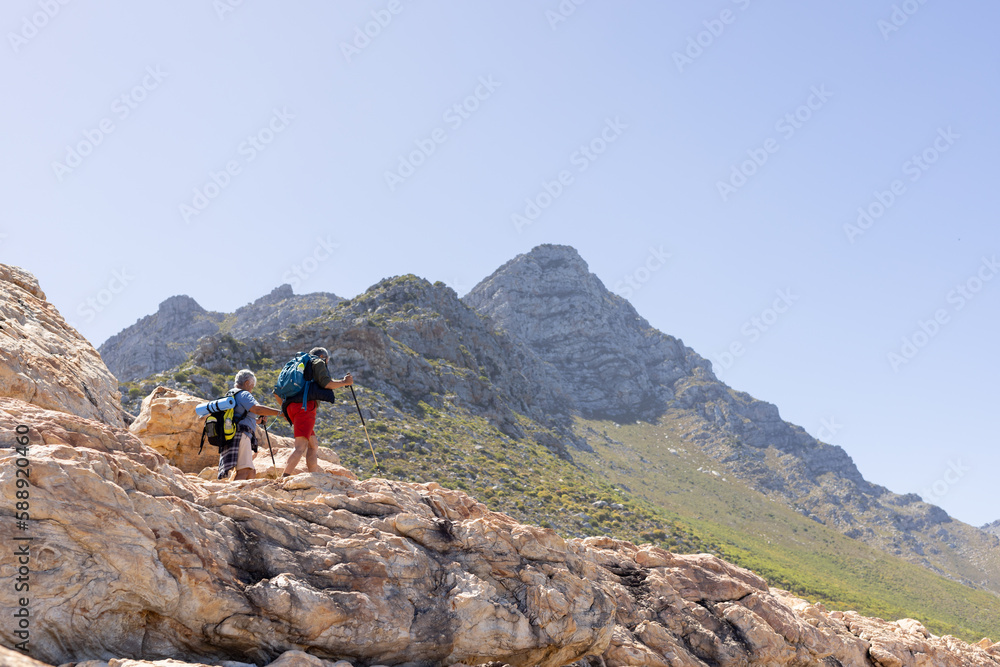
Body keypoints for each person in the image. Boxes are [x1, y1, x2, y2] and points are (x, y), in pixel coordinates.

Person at [275, 347, 353, 476]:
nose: (327, 363)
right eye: (327, 360)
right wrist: (344, 382)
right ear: (323, 356)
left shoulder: (297, 365)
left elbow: (276, 392)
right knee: (300, 447)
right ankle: (283, 478)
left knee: (313, 445)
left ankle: (314, 476)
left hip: (291, 406)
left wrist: (285, 411)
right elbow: (327, 384)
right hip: (305, 407)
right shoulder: (318, 362)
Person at [219, 369, 282, 481]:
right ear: (247, 383)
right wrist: (280, 413)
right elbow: (257, 409)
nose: (251, 390)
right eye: (252, 386)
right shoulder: (244, 394)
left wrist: (257, 421)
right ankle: (235, 495)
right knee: (244, 471)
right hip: (241, 436)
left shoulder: (230, 394)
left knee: (251, 471)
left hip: (231, 435)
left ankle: (244, 494)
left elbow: (239, 417)